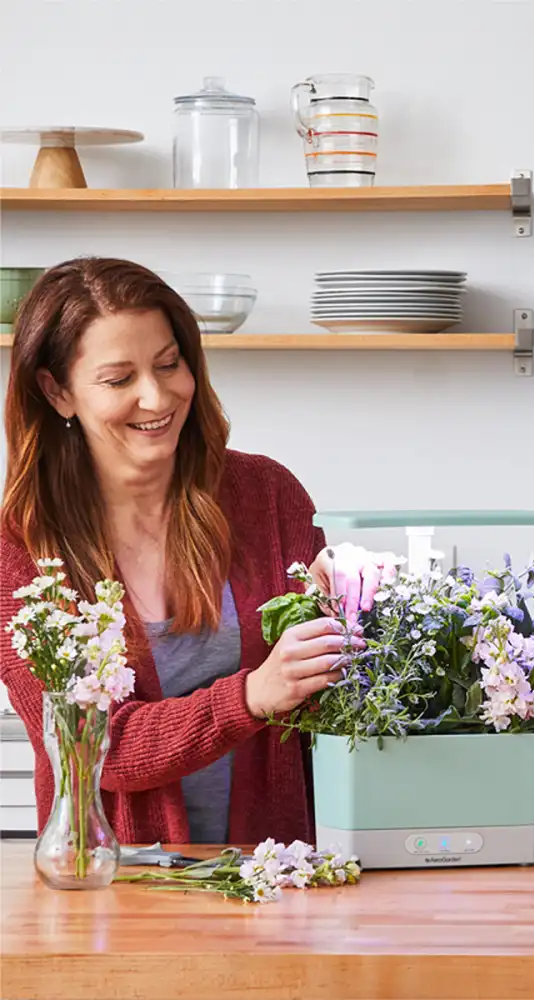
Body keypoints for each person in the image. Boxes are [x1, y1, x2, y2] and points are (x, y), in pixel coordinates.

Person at [0, 257, 393, 845]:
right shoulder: (21, 549)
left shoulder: (266, 494)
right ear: (57, 391)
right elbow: (98, 748)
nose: (156, 397)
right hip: (116, 886)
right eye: (118, 379)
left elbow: (327, 710)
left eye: (168, 364)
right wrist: (251, 695)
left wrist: (355, 621)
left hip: (278, 872)